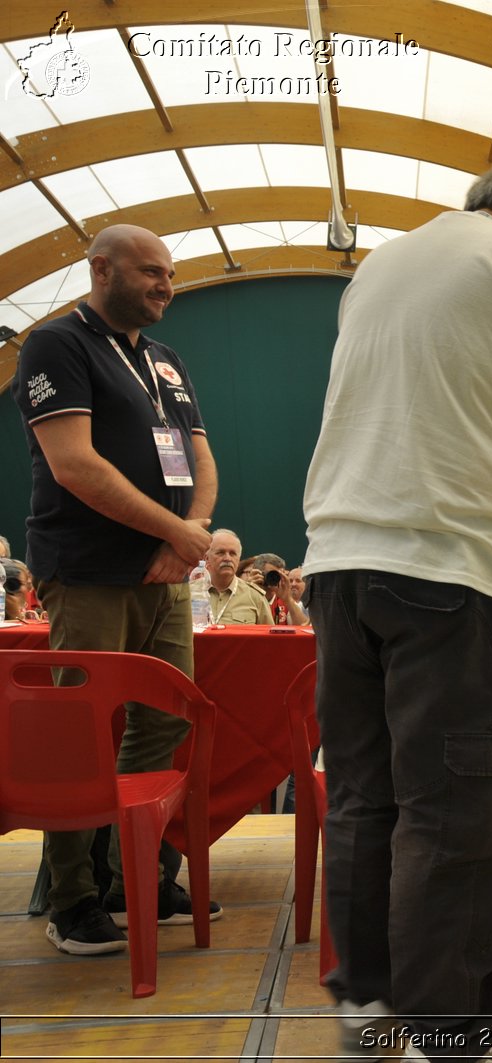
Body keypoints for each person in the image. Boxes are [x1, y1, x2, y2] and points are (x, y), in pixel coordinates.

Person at [301, 153, 492, 1060]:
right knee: (461, 812)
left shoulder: (384, 266)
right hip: (453, 575)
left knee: (365, 798)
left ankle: (368, 1008)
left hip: (342, 564)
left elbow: (448, 429)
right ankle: (447, 1034)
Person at [9, 223, 221, 955]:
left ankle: (134, 868)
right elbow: (74, 466)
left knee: (165, 720)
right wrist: (176, 532)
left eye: (169, 273)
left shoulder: (165, 359)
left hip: (164, 575)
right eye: (151, 272)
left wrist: (187, 532)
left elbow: (201, 456)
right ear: (101, 269)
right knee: (82, 732)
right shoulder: (55, 346)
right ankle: (73, 897)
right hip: (91, 571)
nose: (167, 284)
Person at [202, 529, 272, 625]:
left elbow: (269, 638)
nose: (227, 558)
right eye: (220, 552)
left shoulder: (255, 597)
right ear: (206, 558)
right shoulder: (190, 592)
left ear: (238, 559)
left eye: (232, 553)